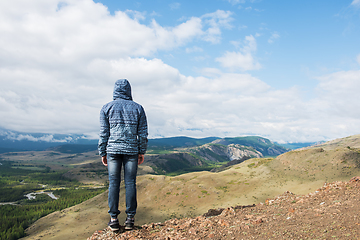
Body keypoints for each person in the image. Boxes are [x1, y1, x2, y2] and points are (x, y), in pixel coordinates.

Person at [98, 79, 148, 231]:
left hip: (112, 150)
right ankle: (130, 219)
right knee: (130, 183)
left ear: (115, 91)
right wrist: (141, 151)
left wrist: (102, 151)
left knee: (114, 183)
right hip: (131, 150)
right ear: (129, 91)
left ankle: (113, 219)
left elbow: (103, 133)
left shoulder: (106, 108)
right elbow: (143, 134)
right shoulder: (138, 108)